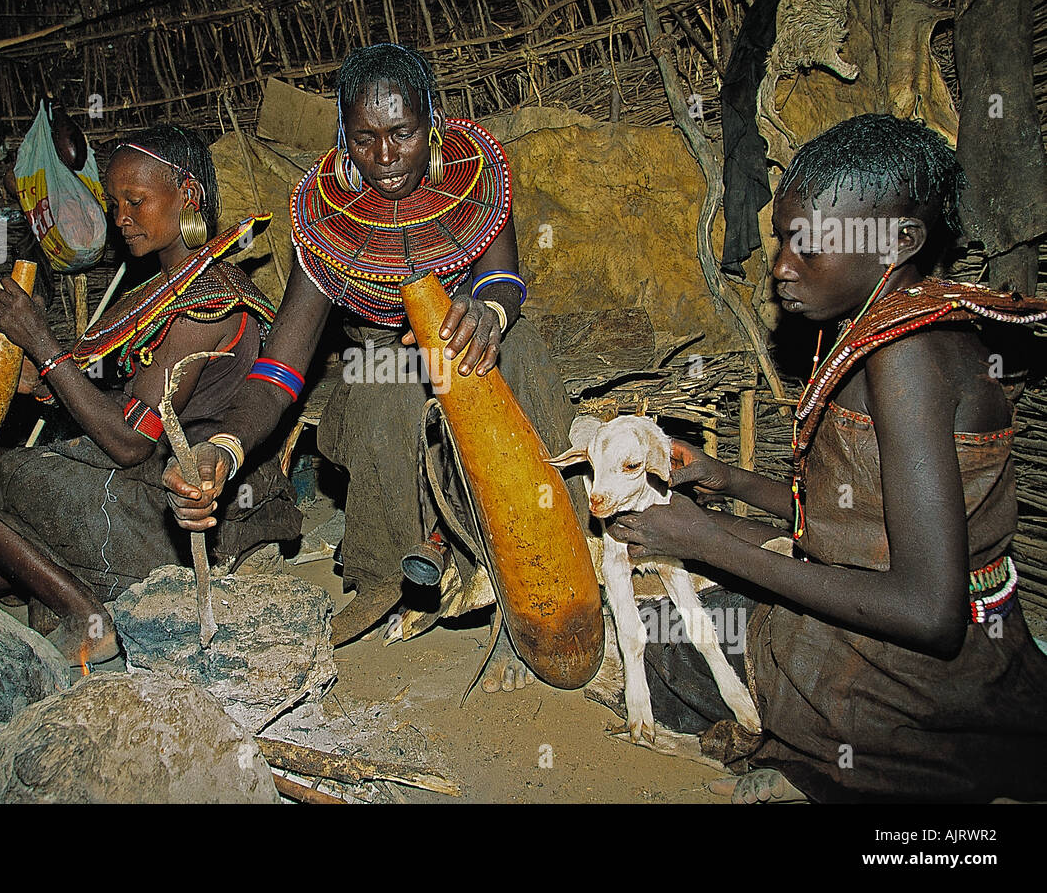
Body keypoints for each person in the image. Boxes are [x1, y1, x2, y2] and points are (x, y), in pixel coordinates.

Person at [610, 114, 1047, 802]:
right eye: (783, 240)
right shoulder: (889, 324)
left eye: (808, 245)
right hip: (946, 642)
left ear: (899, 241)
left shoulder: (907, 359)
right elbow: (859, 517)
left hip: (905, 679)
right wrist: (727, 481)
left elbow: (928, 611)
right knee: (693, 600)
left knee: (659, 647)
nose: (781, 266)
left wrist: (708, 542)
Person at [165, 44, 587, 691]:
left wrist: (489, 312)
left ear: (433, 124)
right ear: (344, 136)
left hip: (478, 342)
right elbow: (278, 374)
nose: (385, 157)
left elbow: (503, 278)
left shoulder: (471, 182)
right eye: (365, 139)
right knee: (388, 386)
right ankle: (400, 562)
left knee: (519, 357)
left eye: (403, 134)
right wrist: (222, 447)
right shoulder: (329, 224)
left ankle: (547, 569)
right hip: (384, 367)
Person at [0, 124, 300, 667]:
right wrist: (35, 382)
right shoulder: (167, 289)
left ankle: (87, 615)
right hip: (163, 479)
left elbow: (131, 440)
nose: (120, 218)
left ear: (188, 196)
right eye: (114, 204)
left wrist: (42, 344)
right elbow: (126, 398)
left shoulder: (208, 302)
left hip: (193, 501)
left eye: (135, 201)